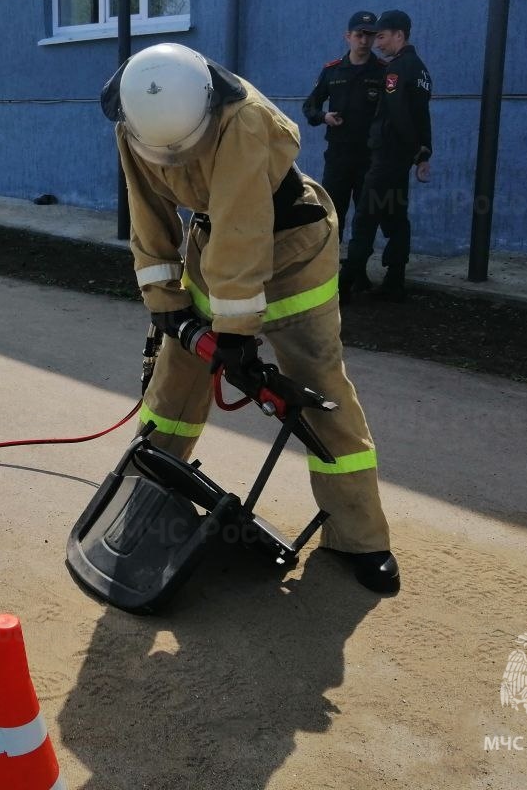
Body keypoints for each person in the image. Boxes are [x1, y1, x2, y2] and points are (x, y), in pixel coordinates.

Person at [100, 42, 399, 593]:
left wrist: (234, 335)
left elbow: (244, 221)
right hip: (218, 247)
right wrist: (168, 304)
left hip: (292, 244)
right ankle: (143, 495)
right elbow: (149, 213)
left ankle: (362, 538)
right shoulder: (133, 117)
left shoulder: (244, 120)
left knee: (318, 385)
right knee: (175, 382)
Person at [342, 9, 432, 301]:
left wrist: (411, 148)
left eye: (381, 36)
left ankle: (345, 284)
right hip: (402, 161)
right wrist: (422, 154)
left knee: (366, 217)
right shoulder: (421, 71)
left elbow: (398, 113)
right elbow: (423, 117)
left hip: (386, 158)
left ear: (399, 35)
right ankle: (395, 281)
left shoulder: (395, 70)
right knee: (396, 217)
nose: (377, 43)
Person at [301, 11, 387, 275]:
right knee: (332, 214)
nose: (364, 40)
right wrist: (323, 116)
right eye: (359, 35)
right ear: (348, 36)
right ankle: (329, 271)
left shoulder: (383, 72)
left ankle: (356, 271)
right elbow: (310, 105)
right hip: (338, 155)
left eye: (369, 35)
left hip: (370, 158)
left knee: (365, 216)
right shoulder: (333, 71)